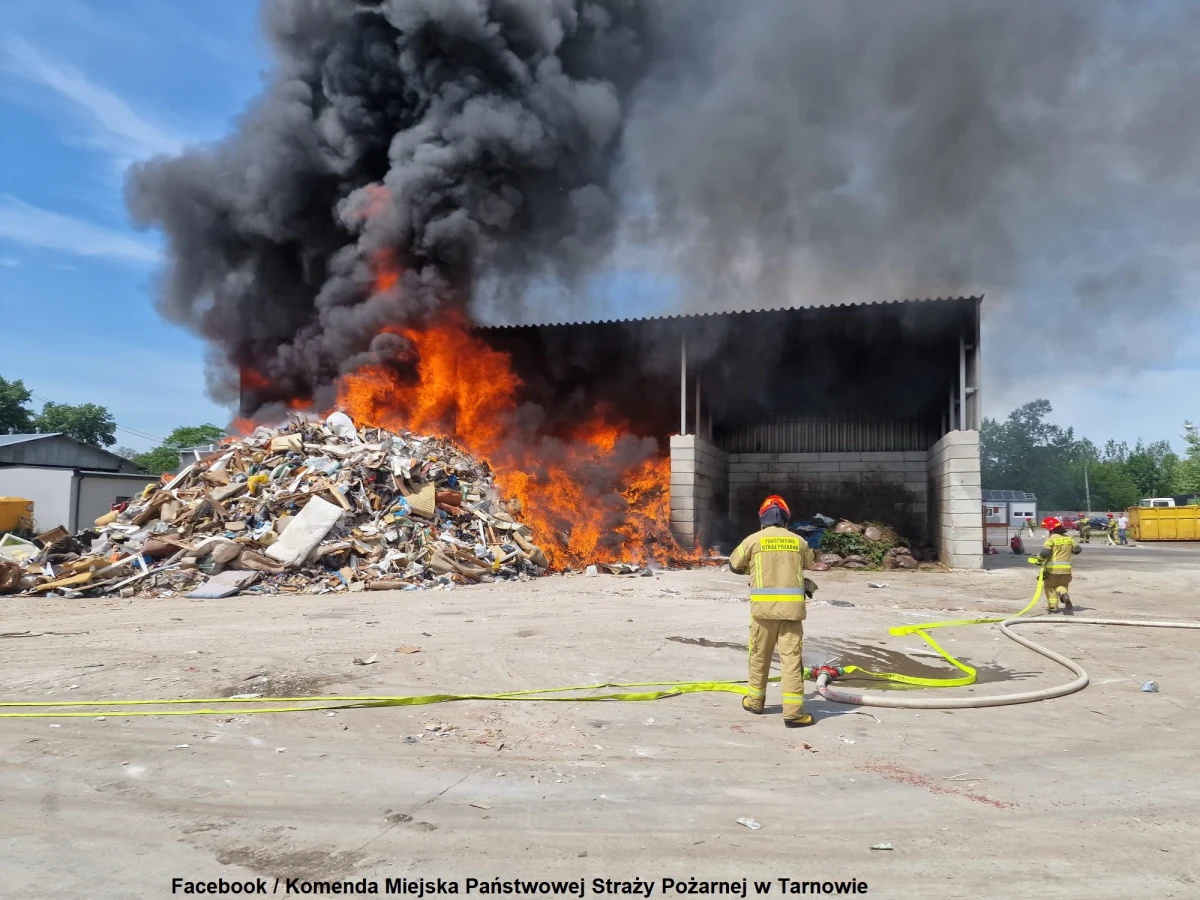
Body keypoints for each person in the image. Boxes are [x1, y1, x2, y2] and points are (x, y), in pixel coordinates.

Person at [729, 494, 817, 727]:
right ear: (786, 519)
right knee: (791, 662)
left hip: (763, 614)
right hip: (792, 614)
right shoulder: (798, 541)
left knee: (759, 657)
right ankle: (794, 714)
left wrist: (755, 565)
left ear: (762, 518)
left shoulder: (753, 540)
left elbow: (734, 565)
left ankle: (755, 703)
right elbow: (810, 562)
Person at [1038, 516, 1082, 614]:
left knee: (1049, 586)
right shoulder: (1069, 538)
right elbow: (1077, 550)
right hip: (1066, 571)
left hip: (1052, 570)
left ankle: (1053, 607)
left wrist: (1039, 559)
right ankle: (1063, 594)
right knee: (1061, 586)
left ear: (1050, 528)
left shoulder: (1051, 539)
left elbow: (1045, 553)